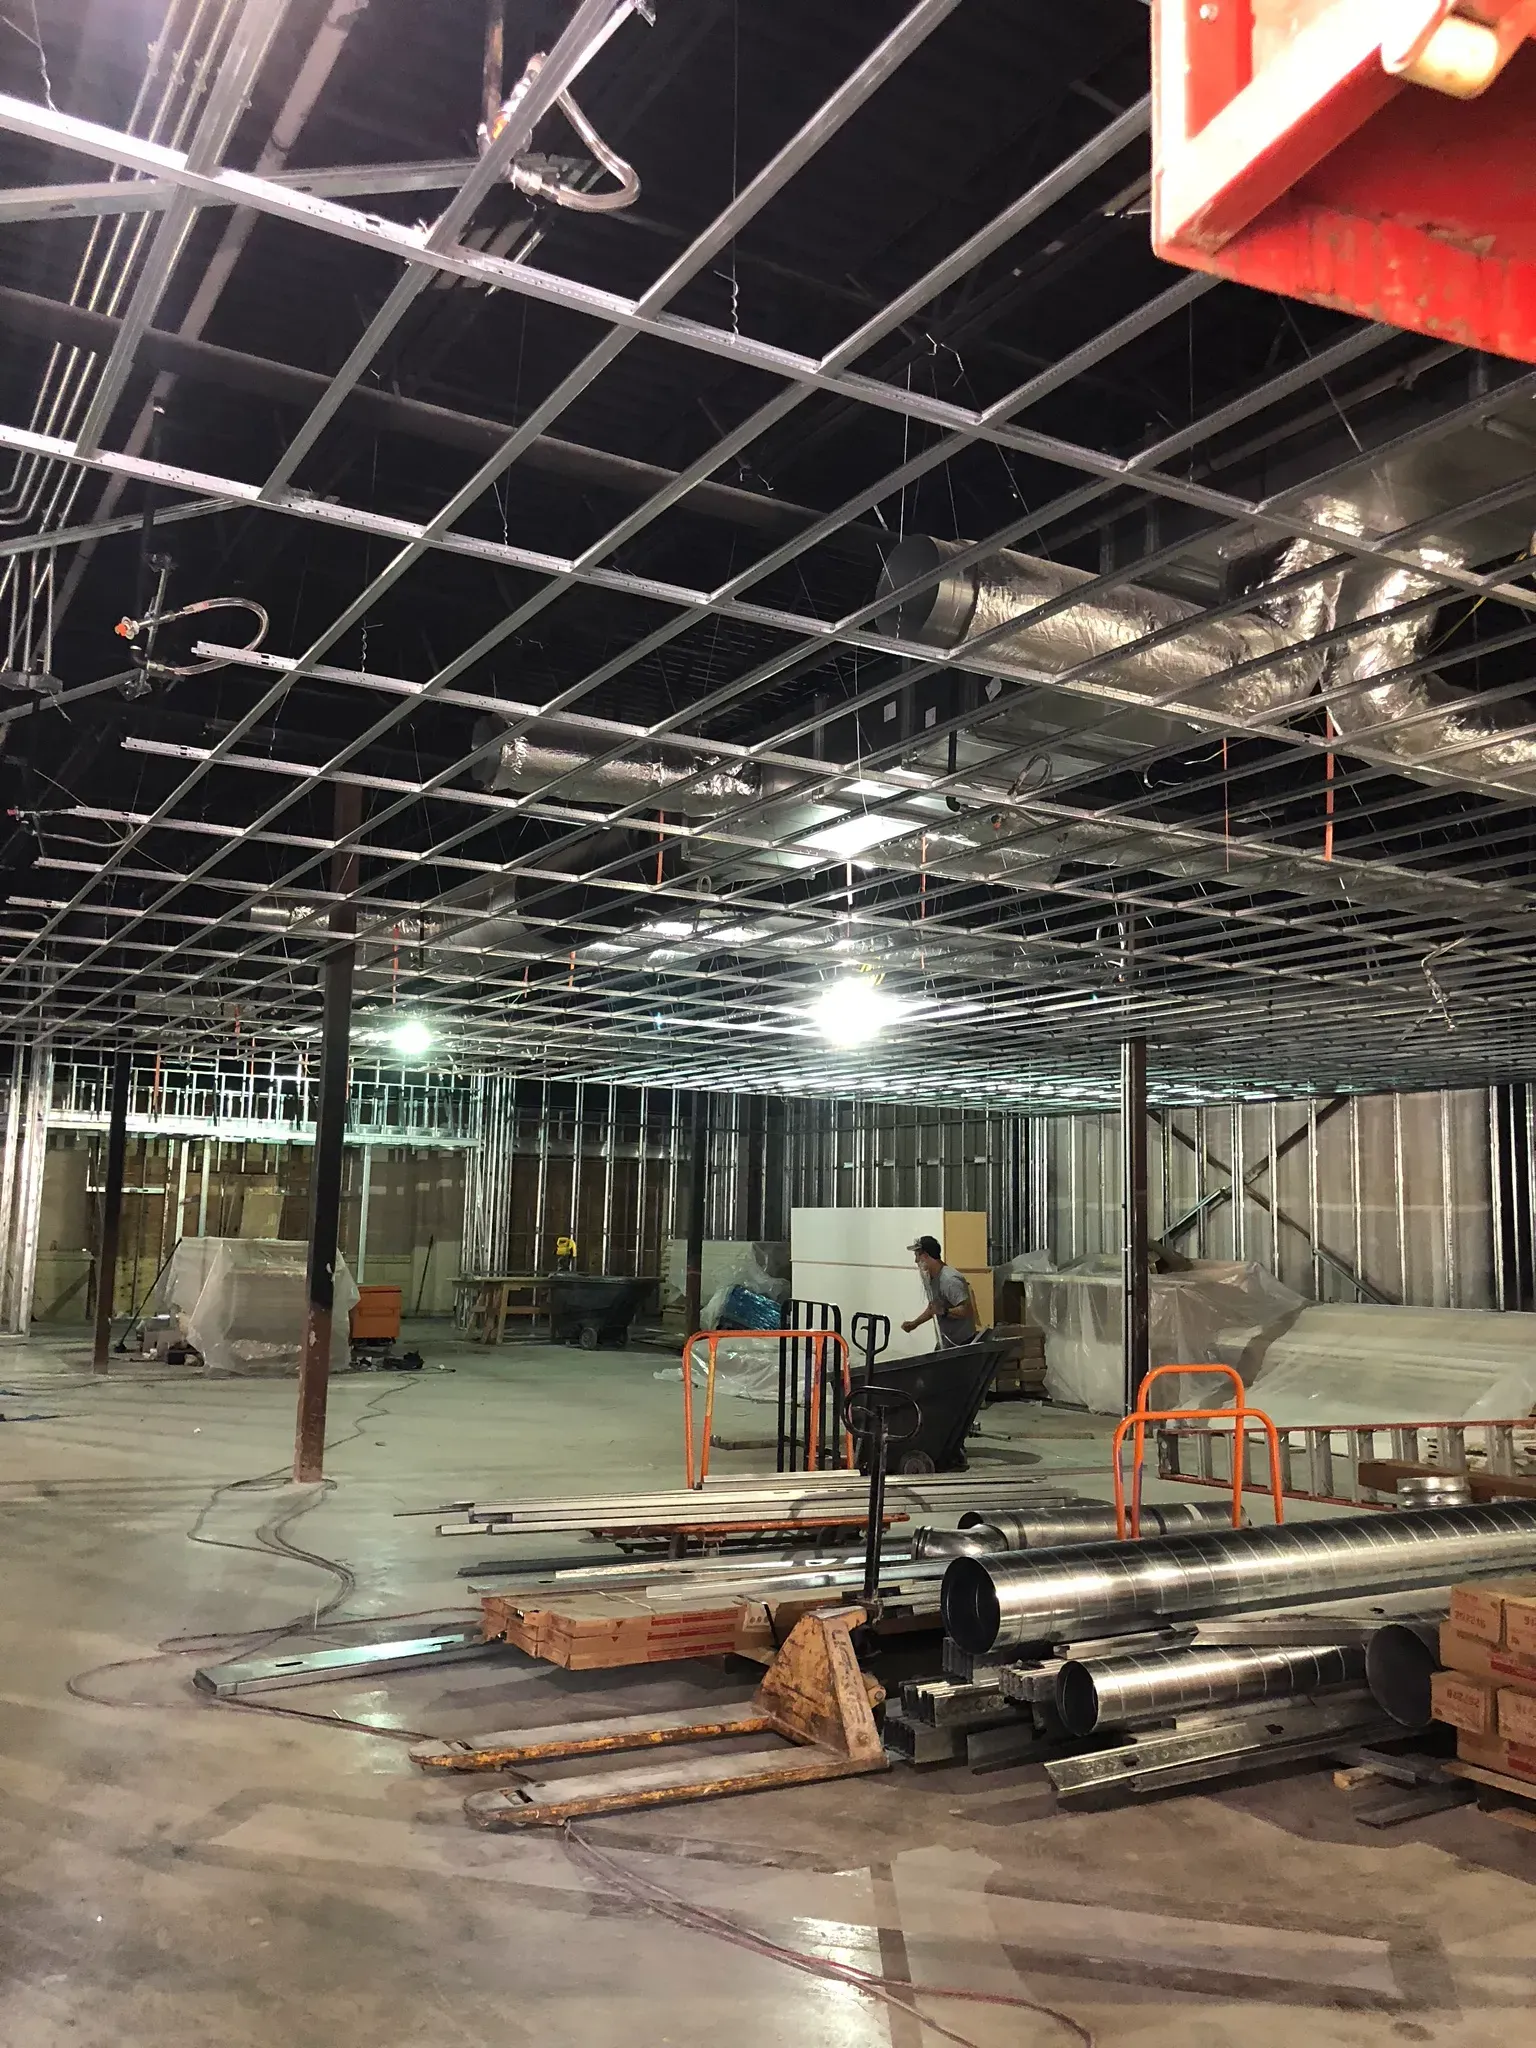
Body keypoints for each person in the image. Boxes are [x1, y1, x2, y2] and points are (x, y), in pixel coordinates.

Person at [901, 1235, 978, 1349]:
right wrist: (915, 1323)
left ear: (926, 1256)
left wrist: (944, 1311)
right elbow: (934, 1307)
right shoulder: (931, 1278)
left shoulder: (949, 1280)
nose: (916, 1261)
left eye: (917, 1256)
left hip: (961, 1344)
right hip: (947, 1341)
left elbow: (966, 1310)